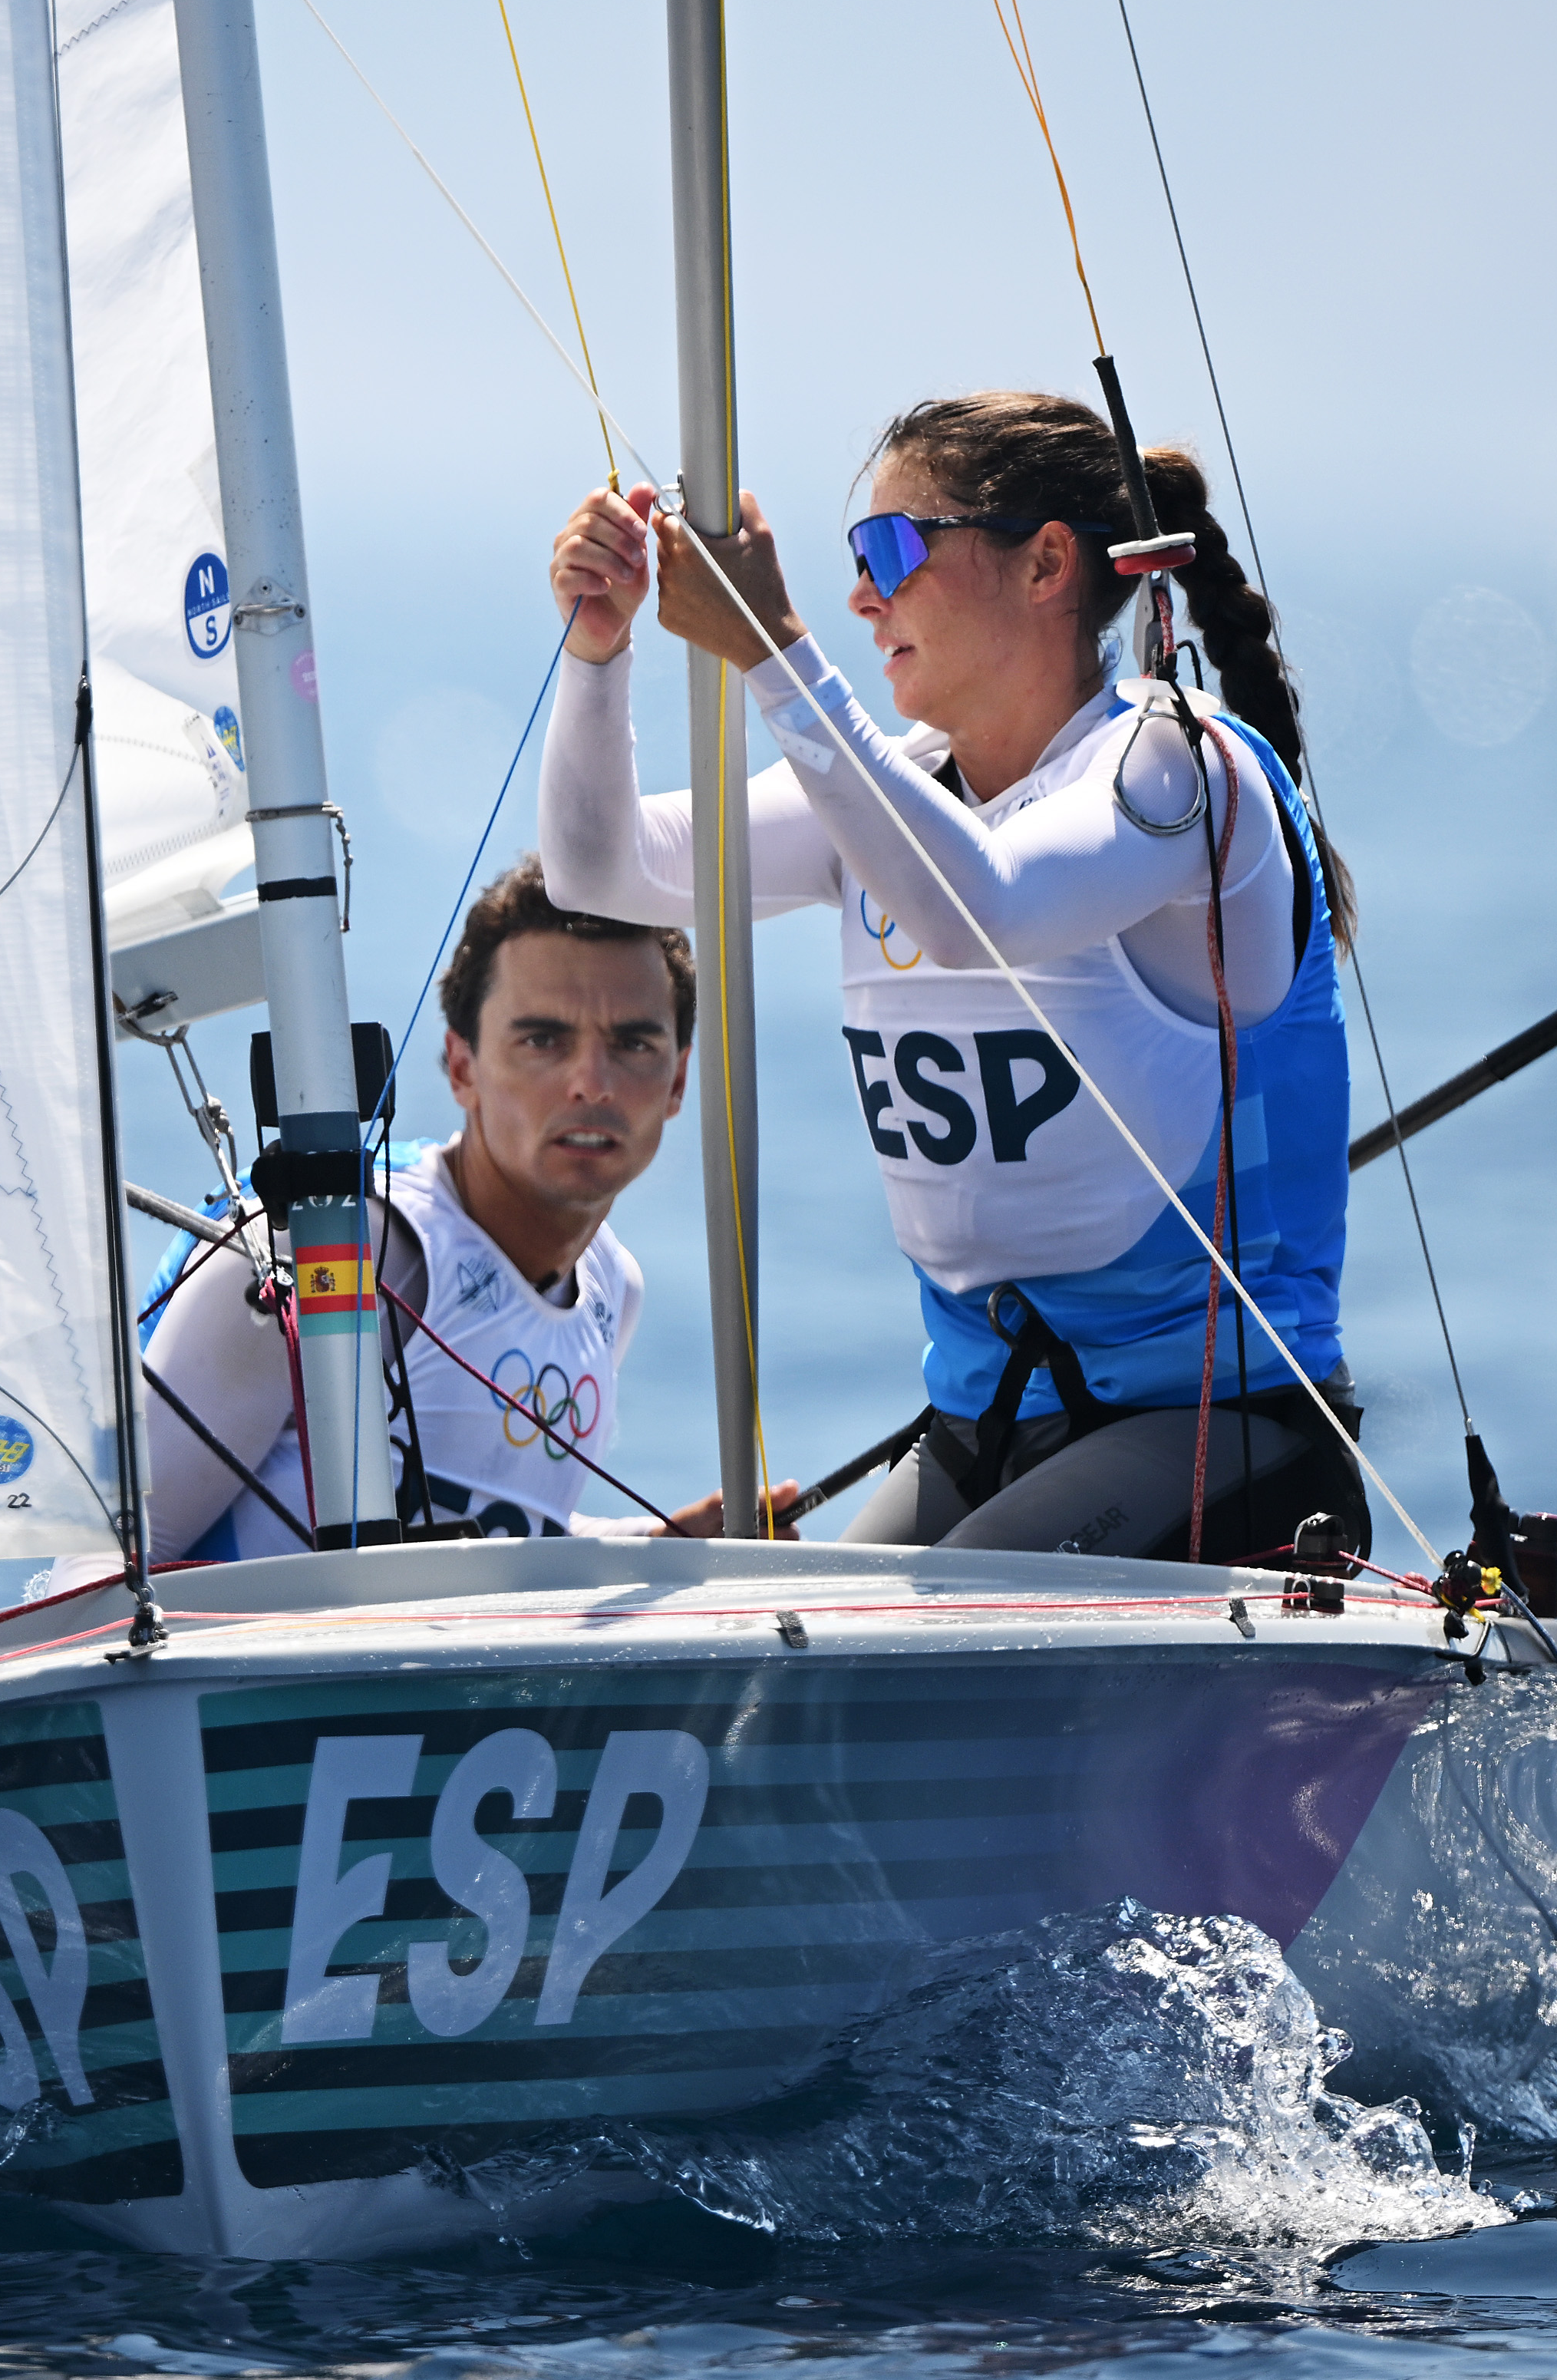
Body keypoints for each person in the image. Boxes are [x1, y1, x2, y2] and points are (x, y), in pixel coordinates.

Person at [536, 391, 1364, 1564]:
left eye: (891, 551)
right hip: (978, 1429)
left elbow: (986, 906)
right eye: (853, 563)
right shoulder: (890, 797)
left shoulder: (1182, 772)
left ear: (1046, 565)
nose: (864, 597)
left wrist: (776, 650)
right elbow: (599, 868)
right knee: (786, 1675)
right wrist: (598, 645)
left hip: (1212, 1436)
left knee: (858, 1676)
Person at [137, 857, 779, 1556]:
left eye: (632, 1043)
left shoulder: (610, 1287)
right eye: (543, 1040)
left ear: (679, 1078)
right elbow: (94, 1587)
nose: (591, 1084)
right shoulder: (322, 1251)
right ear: (463, 1066)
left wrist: (659, 1541)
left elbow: (507, 1532)